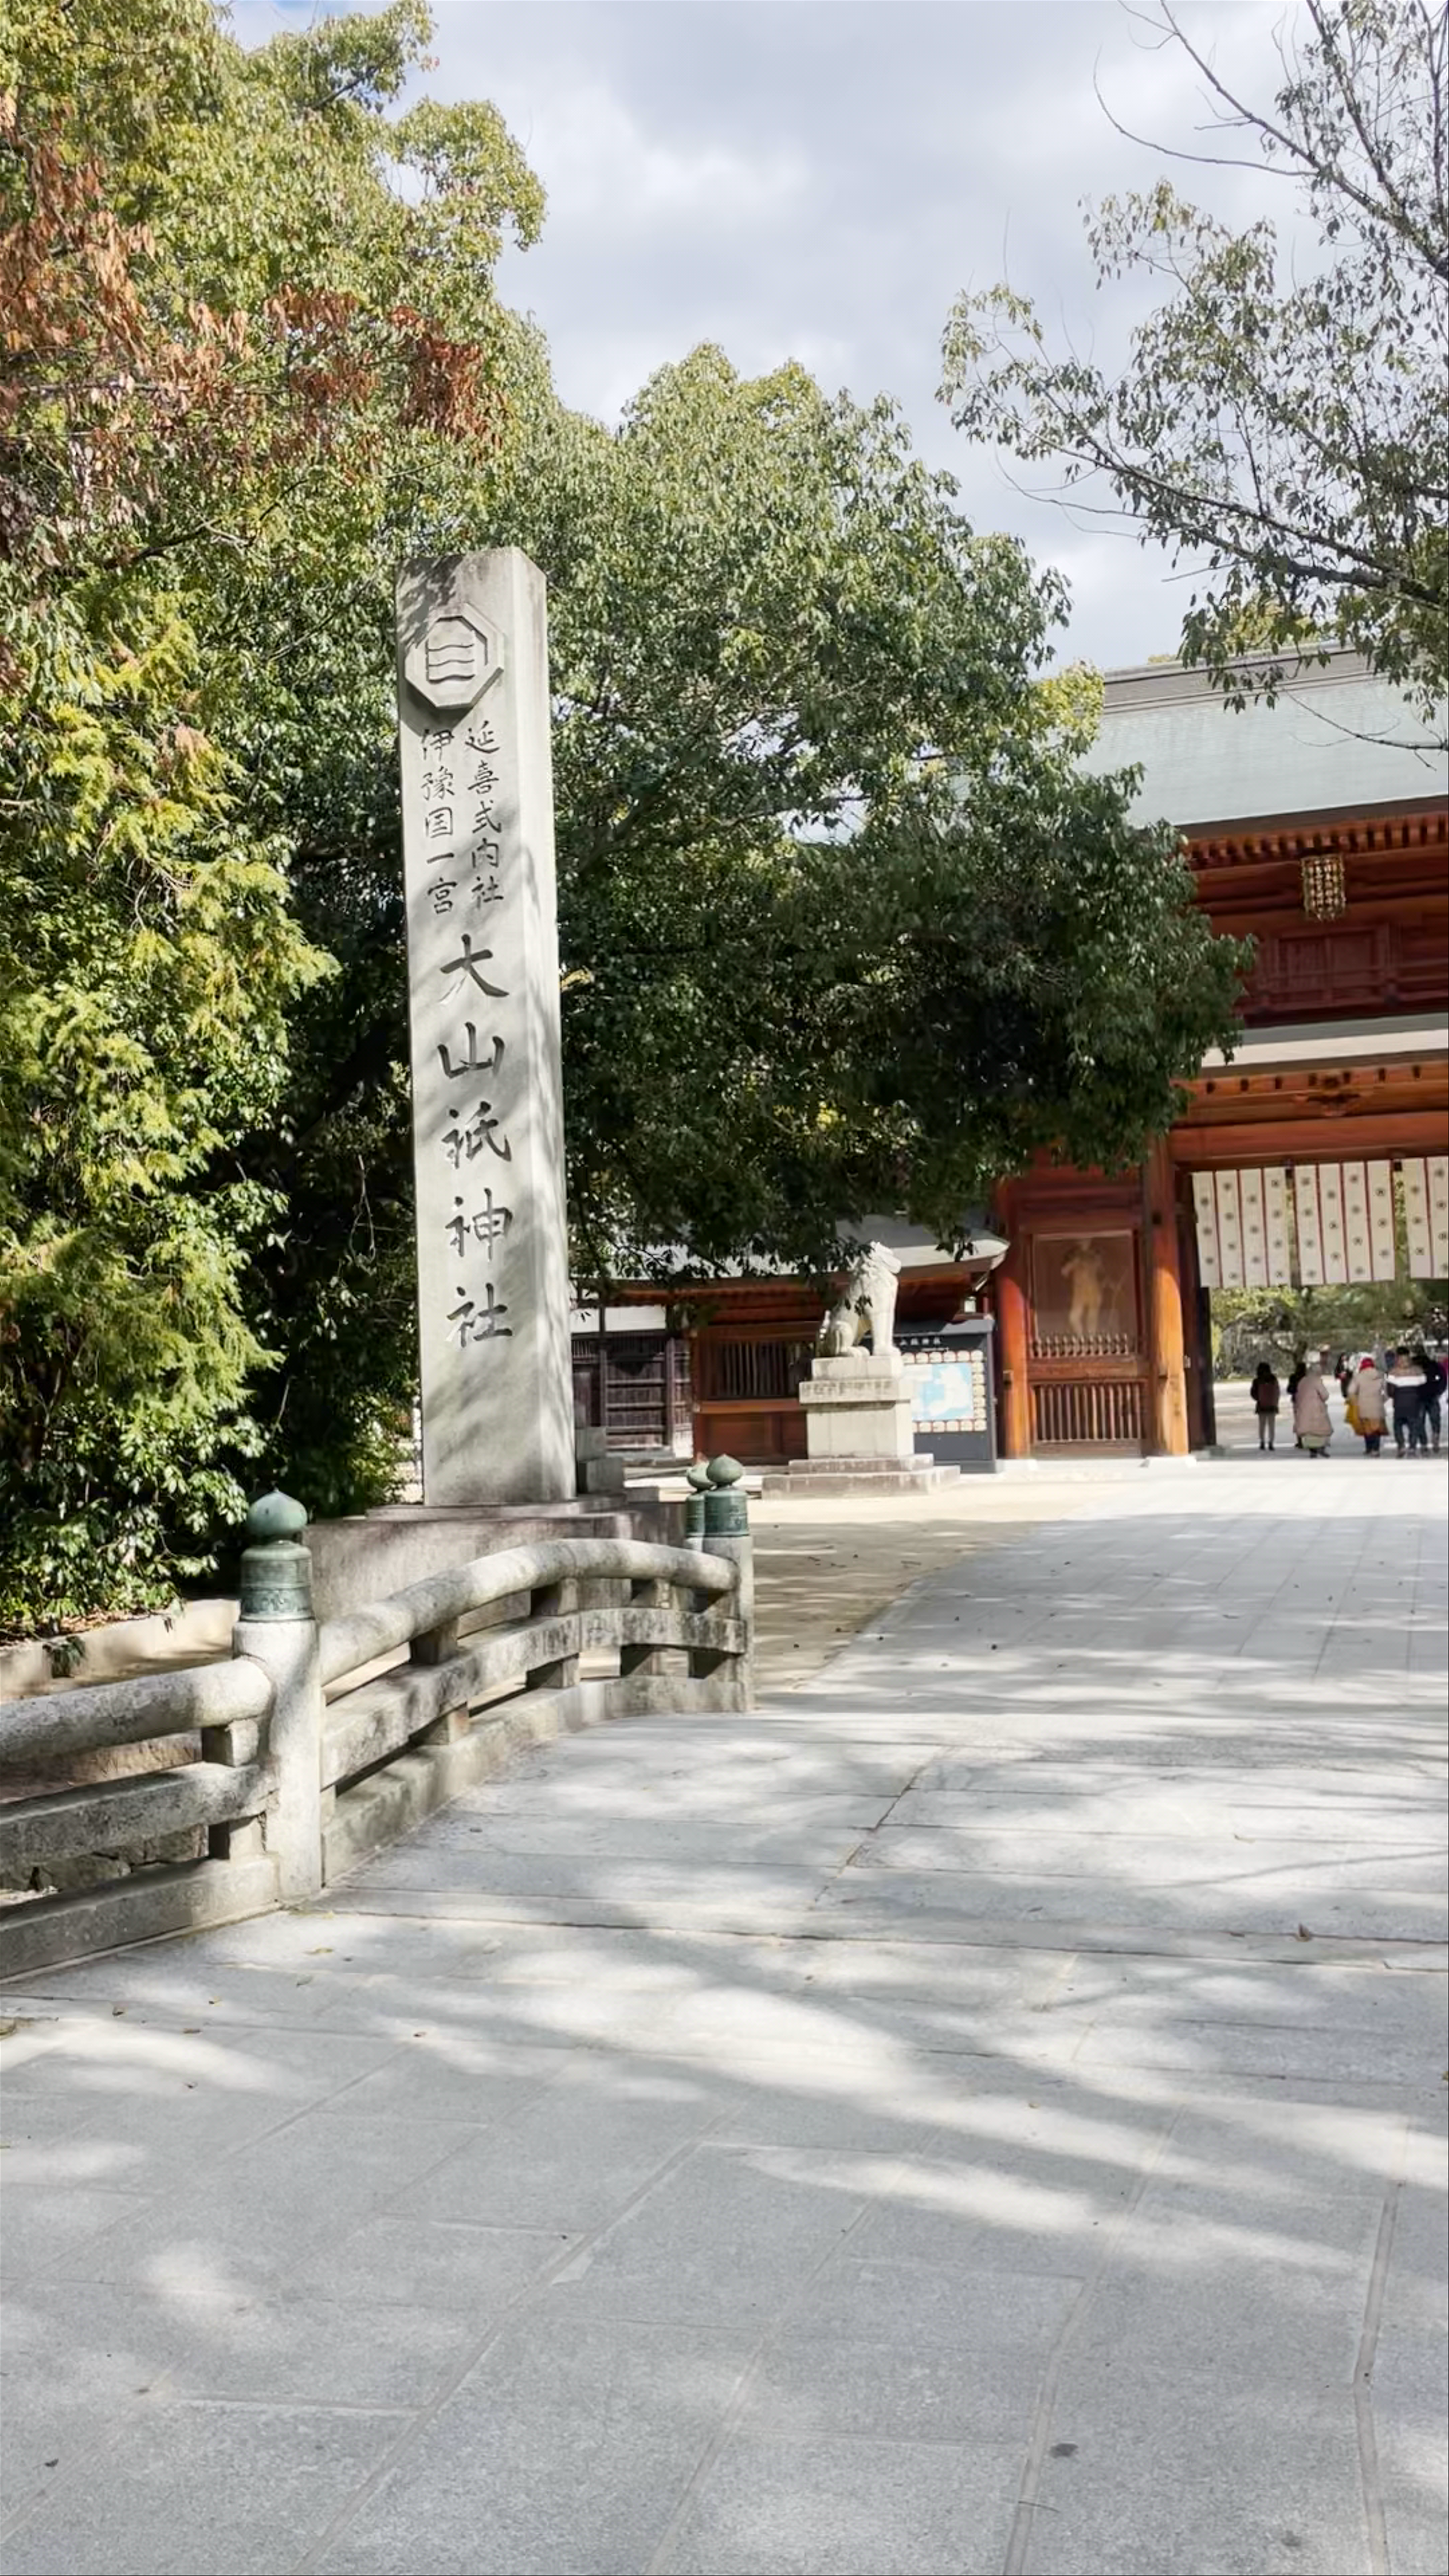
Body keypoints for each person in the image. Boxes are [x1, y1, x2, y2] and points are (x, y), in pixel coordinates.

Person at [1384, 1348, 1428, 1456]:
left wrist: (1395, 1396)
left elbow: (1390, 1391)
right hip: (1414, 1402)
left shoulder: (1393, 1372)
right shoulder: (1418, 1371)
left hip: (1400, 1402)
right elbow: (1424, 1387)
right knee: (1414, 1426)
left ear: (1398, 1358)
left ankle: (1401, 1446)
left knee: (1398, 1425)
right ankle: (1412, 1447)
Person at [1292, 1360, 1334, 1458]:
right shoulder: (1317, 1381)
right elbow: (1325, 1395)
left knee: (1309, 1431)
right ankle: (1321, 1448)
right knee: (1321, 1429)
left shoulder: (1303, 1381)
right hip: (1316, 1409)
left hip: (1304, 1408)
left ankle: (1313, 1450)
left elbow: (1298, 1395)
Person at [1349, 1353, 1386, 1456]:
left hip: (1363, 1405)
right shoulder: (1380, 1375)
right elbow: (1387, 1391)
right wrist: (1383, 1400)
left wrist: (1356, 1402)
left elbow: (1351, 1391)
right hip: (1377, 1405)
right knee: (1377, 1428)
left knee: (1368, 1428)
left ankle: (1369, 1448)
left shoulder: (1359, 1376)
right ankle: (1376, 1449)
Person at [1417, 1346, 1445, 1455]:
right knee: (1435, 1420)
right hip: (1432, 1396)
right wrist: (1439, 1392)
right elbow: (1443, 1379)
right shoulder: (1434, 1365)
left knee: (1420, 1422)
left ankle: (1424, 1444)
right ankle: (1435, 1438)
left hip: (1419, 1397)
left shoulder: (1413, 1366)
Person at [1249, 1360, 1281, 1451]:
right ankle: (1271, 1442)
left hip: (1262, 1406)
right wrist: (1276, 1402)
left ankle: (1262, 1442)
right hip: (1272, 1406)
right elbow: (1277, 1392)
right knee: (1272, 1425)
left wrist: (1259, 1399)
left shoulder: (1257, 1381)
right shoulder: (1273, 1379)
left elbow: (1253, 1393)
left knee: (1262, 1425)